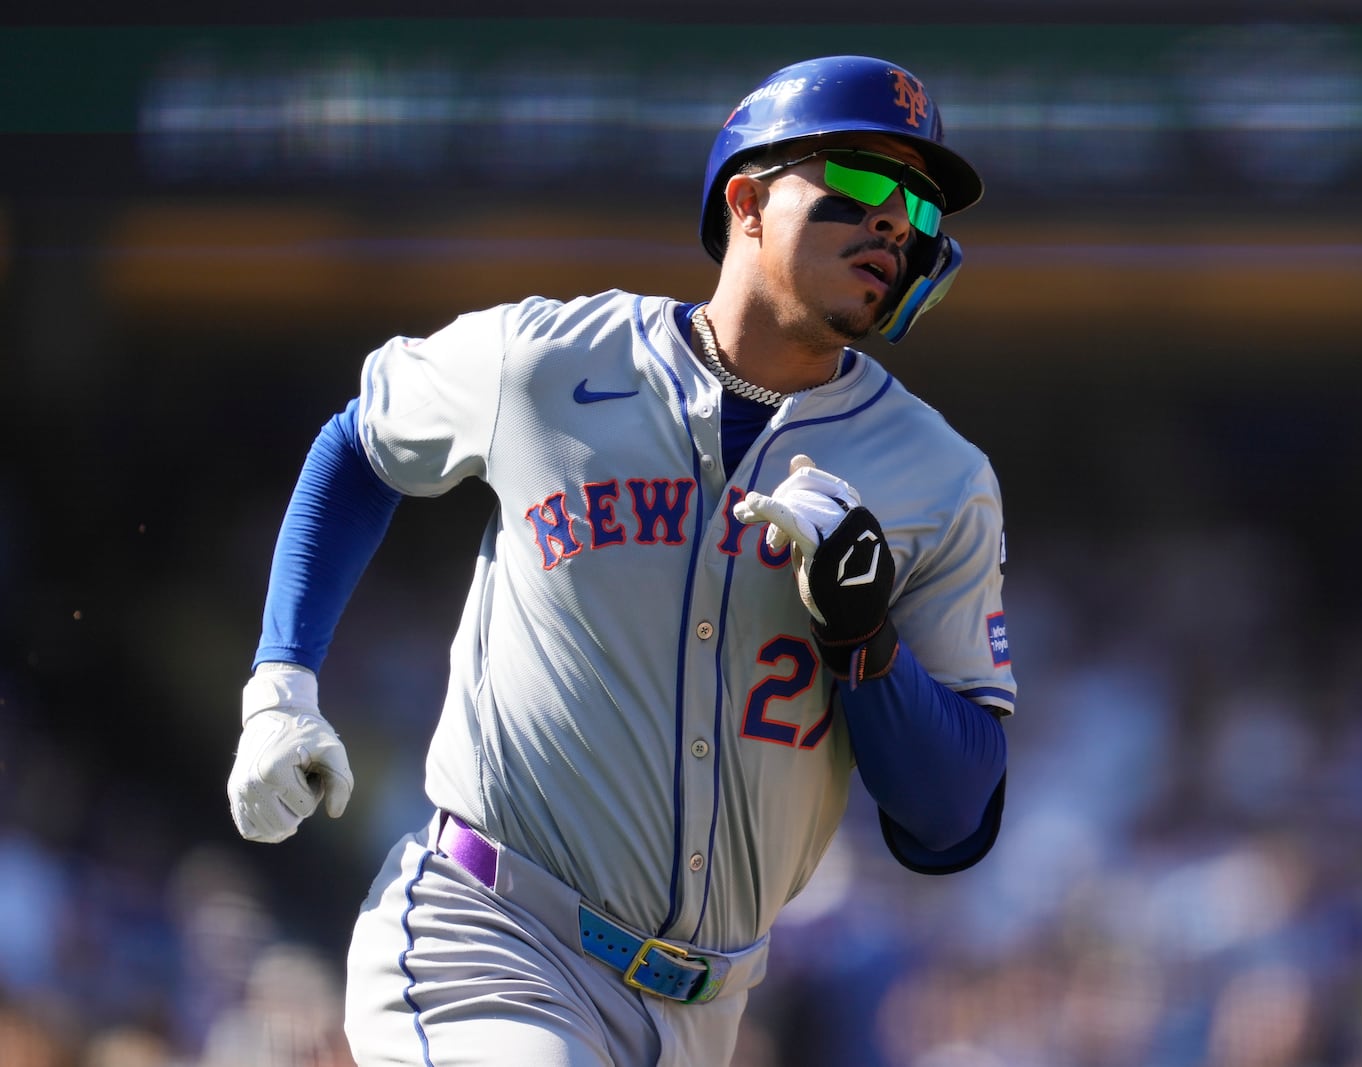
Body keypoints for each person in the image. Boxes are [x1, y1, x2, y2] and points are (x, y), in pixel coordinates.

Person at [226, 54, 1015, 1067]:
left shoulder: (941, 478)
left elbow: (951, 819)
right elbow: (360, 442)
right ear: (748, 201)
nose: (894, 221)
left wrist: (865, 643)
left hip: (707, 1009)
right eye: (860, 179)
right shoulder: (548, 360)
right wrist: (279, 685)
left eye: (916, 201)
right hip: (489, 933)